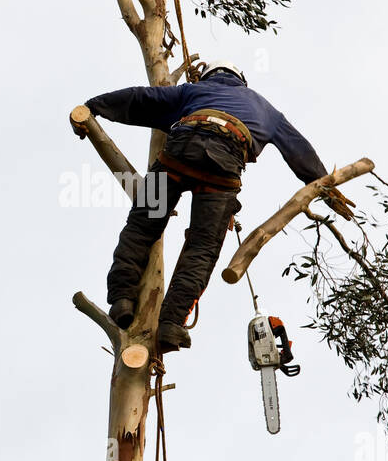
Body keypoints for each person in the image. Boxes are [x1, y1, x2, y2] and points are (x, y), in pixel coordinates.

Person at [72, 61, 354, 354]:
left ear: (209, 77)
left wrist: (94, 107)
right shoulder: (265, 108)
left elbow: (142, 99)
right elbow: (299, 149)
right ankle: (170, 324)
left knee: (142, 227)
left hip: (176, 158)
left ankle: (121, 300)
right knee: (202, 249)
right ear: (240, 82)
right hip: (221, 171)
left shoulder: (193, 91)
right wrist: (326, 187)